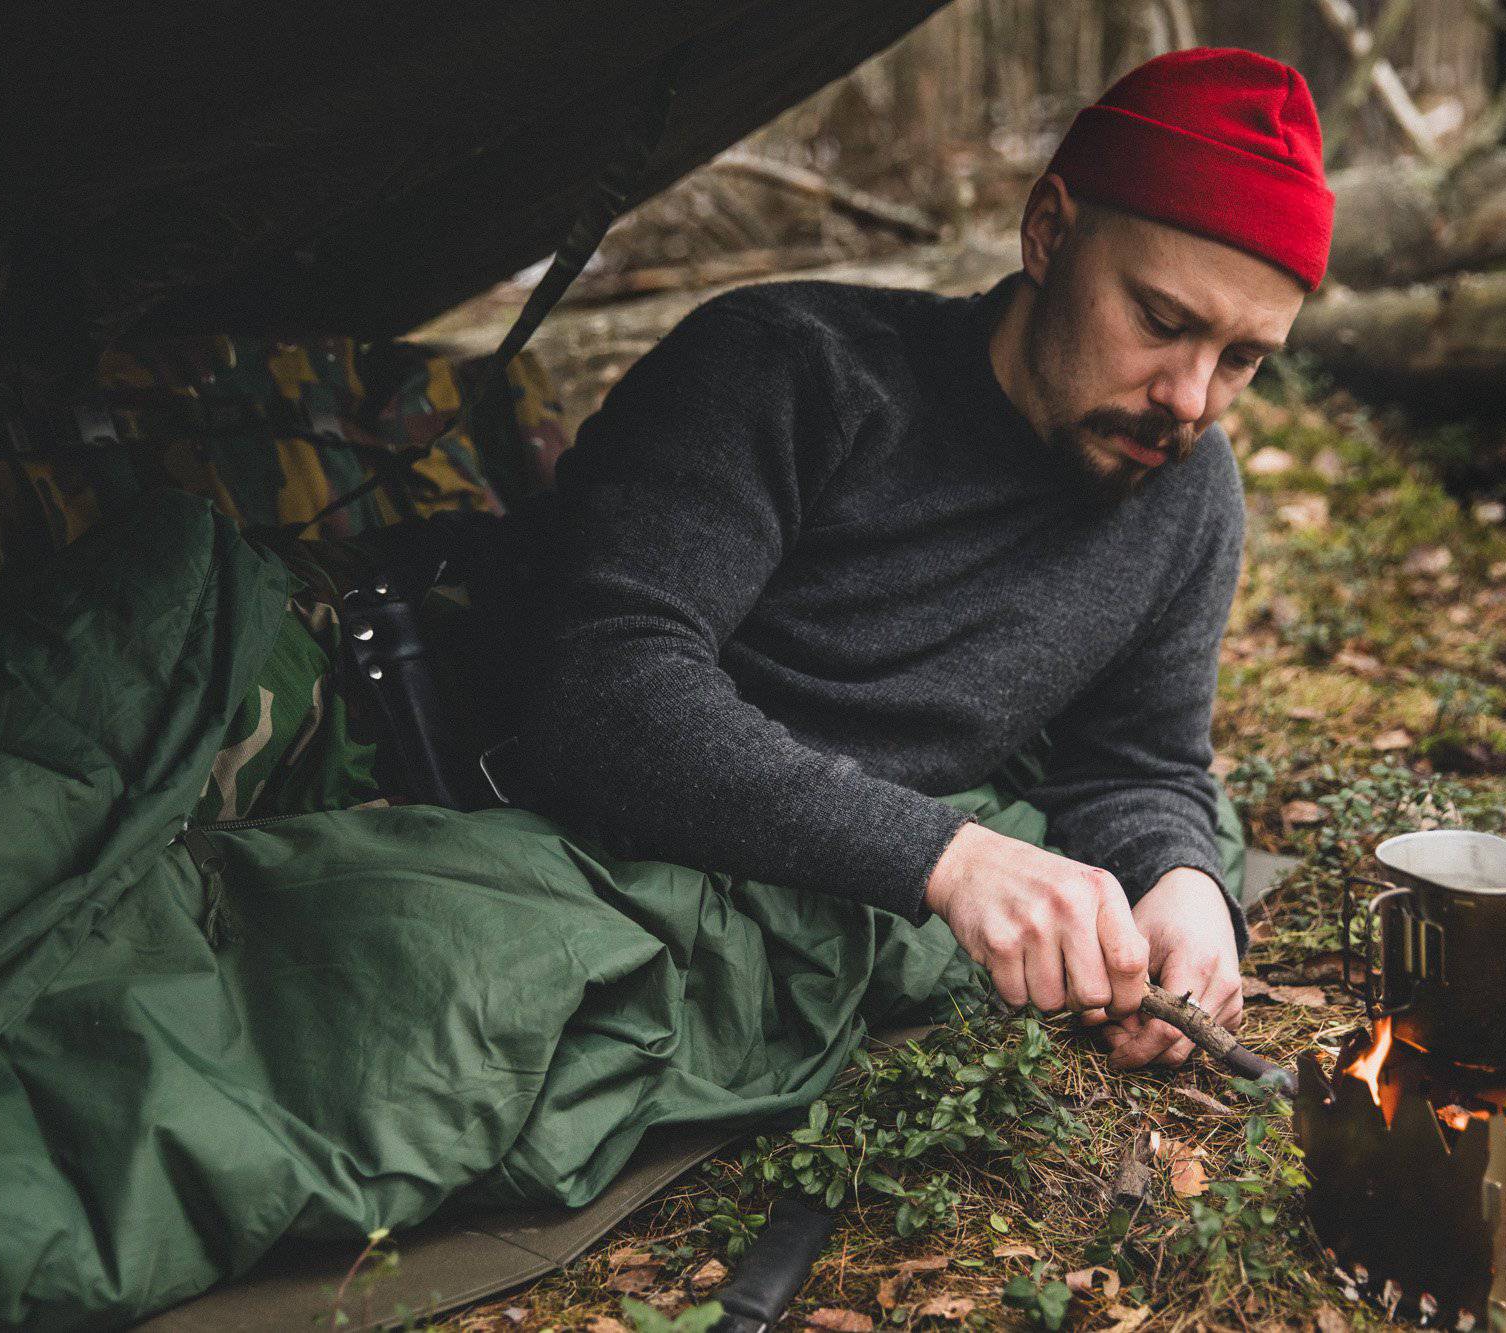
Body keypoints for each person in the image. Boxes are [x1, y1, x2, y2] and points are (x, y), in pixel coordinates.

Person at [486, 47, 1335, 1069]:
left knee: (1200, 839)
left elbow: (1138, 760)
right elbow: (597, 685)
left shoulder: (1186, 488)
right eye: (1161, 322)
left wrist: (1183, 882)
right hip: (594, 826)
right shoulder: (782, 371)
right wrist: (944, 858)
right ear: (1048, 231)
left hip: (852, 877)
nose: (1190, 399)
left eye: (1241, 359)